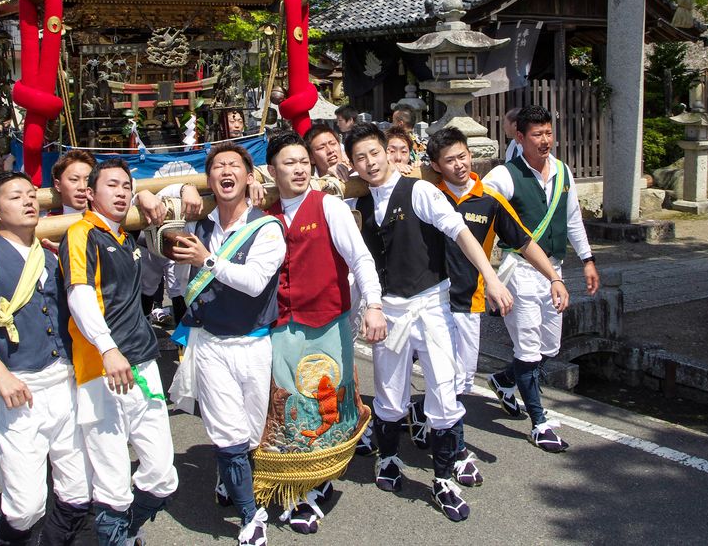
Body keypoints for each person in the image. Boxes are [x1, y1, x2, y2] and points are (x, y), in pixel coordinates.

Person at [345, 123, 513, 522]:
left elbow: (460, 233)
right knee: (388, 393)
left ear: (389, 152)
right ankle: (387, 459)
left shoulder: (419, 191)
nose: (369, 163)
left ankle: (442, 479)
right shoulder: (360, 205)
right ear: (352, 165)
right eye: (360, 158)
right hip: (388, 309)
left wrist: (490, 277)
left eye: (374, 153)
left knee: (443, 390)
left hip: (431, 305)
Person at [419, 126, 569, 475]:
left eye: (462, 156)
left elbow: (525, 242)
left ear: (470, 156)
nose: (458, 164)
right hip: (429, 303)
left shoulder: (489, 200)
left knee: (461, 381)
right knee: (448, 381)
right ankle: (455, 453)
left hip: (468, 303)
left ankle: (424, 419)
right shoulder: (426, 195)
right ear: (436, 165)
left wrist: (555, 278)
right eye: (449, 160)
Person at [256, 131, 385, 534]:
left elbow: (359, 258)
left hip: (327, 324)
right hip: (281, 326)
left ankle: (319, 479)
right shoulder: (265, 216)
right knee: (289, 407)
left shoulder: (327, 205)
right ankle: (295, 489)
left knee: (328, 402)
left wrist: (374, 305)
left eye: (302, 161)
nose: (298, 169)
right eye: (288, 163)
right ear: (271, 170)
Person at [0, 171, 90, 546]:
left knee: (78, 491)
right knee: (26, 506)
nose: (29, 201)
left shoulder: (49, 253)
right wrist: (0, 375)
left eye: (32, 195)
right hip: (18, 390)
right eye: (16, 197)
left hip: (63, 383)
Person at [168, 143, 284, 546]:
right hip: (211, 343)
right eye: (217, 166)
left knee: (251, 434)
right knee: (228, 433)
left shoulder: (268, 228)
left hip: (254, 344)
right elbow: (176, 286)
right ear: (210, 179)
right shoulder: (197, 225)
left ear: (250, 176)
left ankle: (230, 478)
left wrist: (207, 260)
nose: (226, 171)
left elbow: (254, 284)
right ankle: (250, 516)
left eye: (235, 165)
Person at [60, 159, 177, 546]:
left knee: (162, 476)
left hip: (143, 363)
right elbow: (79, 294)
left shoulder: (126, 237)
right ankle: (117, 536)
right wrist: (108, 348)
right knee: (112, 484)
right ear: (91, 194)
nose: (122, 192)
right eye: (112, 185)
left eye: (127, 186)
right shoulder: (81, 234)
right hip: (101, 369)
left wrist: (147, 193)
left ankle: (126, 530)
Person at [481, 105, 599, 452]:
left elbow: (573, 219)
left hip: (555, 272)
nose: (545, 140)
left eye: (548, 133)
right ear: (520, 137)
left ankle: (503, 381)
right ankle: (539, 422)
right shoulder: (505, 175)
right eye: (537, 135)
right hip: (520, 272)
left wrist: (588, 260)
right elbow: (477, 204)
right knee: (529, 350)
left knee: (550, 346)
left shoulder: (562, 172)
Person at [51, 150, 96, 216]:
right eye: (74, 179)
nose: (82, 187)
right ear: (57, 185)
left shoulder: (109, 220)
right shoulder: (44, 222)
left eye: (88, 180)